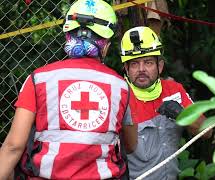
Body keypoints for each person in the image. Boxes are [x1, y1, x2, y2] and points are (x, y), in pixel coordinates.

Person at [0, 0, 137, 179]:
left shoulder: (38, 79)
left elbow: (14, 146)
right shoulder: (121, 87)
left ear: (67, 36)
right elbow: (131, 145)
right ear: (106, 45)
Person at [119, 26, 212, 180]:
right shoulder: (119, 96)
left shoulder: (174, 90)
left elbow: (206, 132)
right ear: (126, 68)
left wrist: (181, 114)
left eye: (148, 62)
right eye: (134, 64)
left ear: (160, 66)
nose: (141, 69)